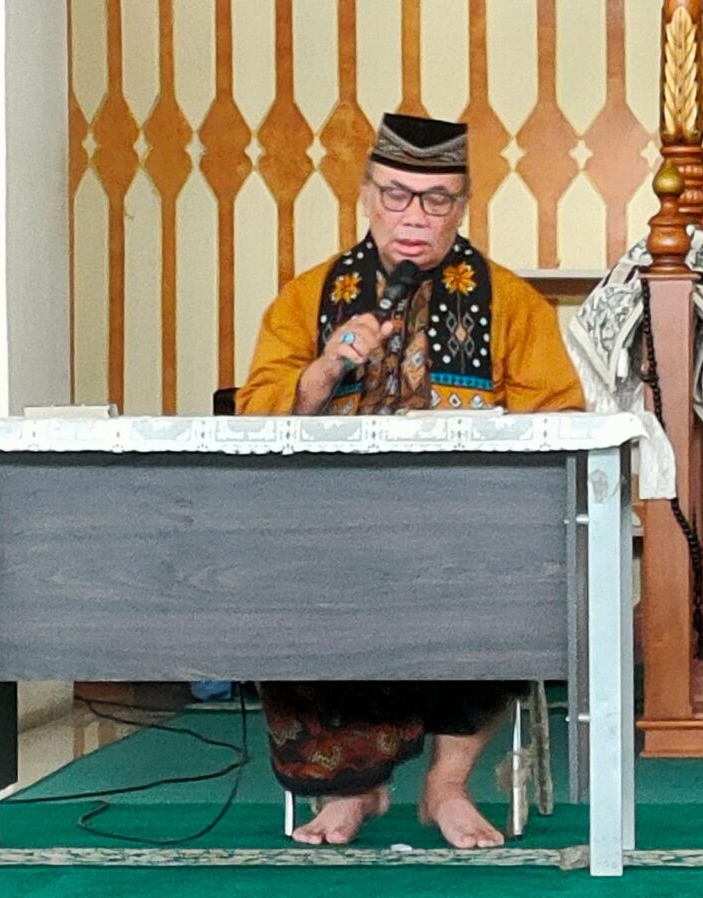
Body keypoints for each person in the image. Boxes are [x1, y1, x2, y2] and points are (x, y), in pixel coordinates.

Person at [236, 113, 585, 849]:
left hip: (464, 530)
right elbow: (253, 414)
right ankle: (352, 787)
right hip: (331, 528)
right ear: (367, 196)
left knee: (514, 575)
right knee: (283, 573)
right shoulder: (310, 296)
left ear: (463, 205)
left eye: (437, 199)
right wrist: (326, 367)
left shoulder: (511, 303)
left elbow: (559, 420)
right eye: (396, 195)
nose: (414, 217)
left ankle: (446, 785)